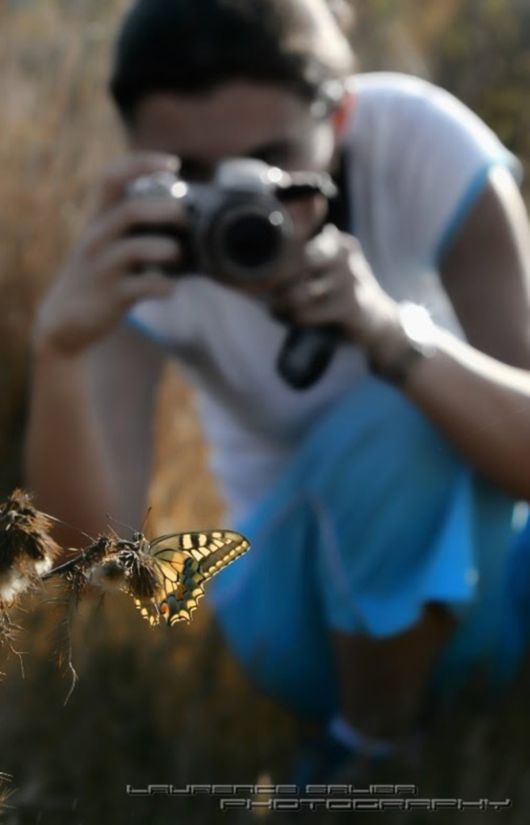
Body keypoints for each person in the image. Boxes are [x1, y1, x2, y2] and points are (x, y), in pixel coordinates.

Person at [25, 0, 530, 783]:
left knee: (399, 403)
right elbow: (92, 564)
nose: (237, 206)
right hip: (297, 627)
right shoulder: (138, 247)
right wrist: (61, 351)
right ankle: (368, 750)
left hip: (493, 585)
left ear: (343, 113)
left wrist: (388, 333)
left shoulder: (420, 142)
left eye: (269, 164)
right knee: (388, 419)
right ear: (138, 152)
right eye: (191, 176)